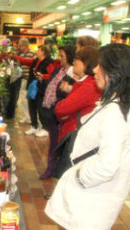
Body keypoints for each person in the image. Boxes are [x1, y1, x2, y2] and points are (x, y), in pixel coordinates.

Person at [45, 43, 130, 230]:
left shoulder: (117, 112)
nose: (94, 70)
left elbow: (106, 166)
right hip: (95, 198)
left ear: (114, 71)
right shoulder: (123, 104)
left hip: (93, 198)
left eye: (99, 66)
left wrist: (79, 176)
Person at [39, 45, 76, 179]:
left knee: (57, 144)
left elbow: (70, 95)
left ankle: (54, 170)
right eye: (59, 55)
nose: (59, 58)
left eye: (62, 56)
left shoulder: (72, 74)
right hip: (50, 112)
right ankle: (51, 168)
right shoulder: (58, 70)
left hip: (61, 115)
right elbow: (50, 86)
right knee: (53, 141)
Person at [14, 45, 55, 137]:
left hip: (42, 89)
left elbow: (52, 75)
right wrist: (14, 56)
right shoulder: (36, 61)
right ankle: (34, 126)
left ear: (44, 52)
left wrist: (43, 76)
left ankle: (45, 128)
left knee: (41, 109)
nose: (37, 51)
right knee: (32, 107)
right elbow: (25, 61)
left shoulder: (49, 62)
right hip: (33, 88)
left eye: (39, 50)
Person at [15, 38, 35, 124]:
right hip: (23, 78)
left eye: (20, 46)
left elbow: (33, 64)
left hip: (28, 79)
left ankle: (28, 117)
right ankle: (26, 117)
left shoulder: (32, 53)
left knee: (25, 99)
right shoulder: (22, 54)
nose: (19, 47)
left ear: (24, 45)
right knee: (23, 99)